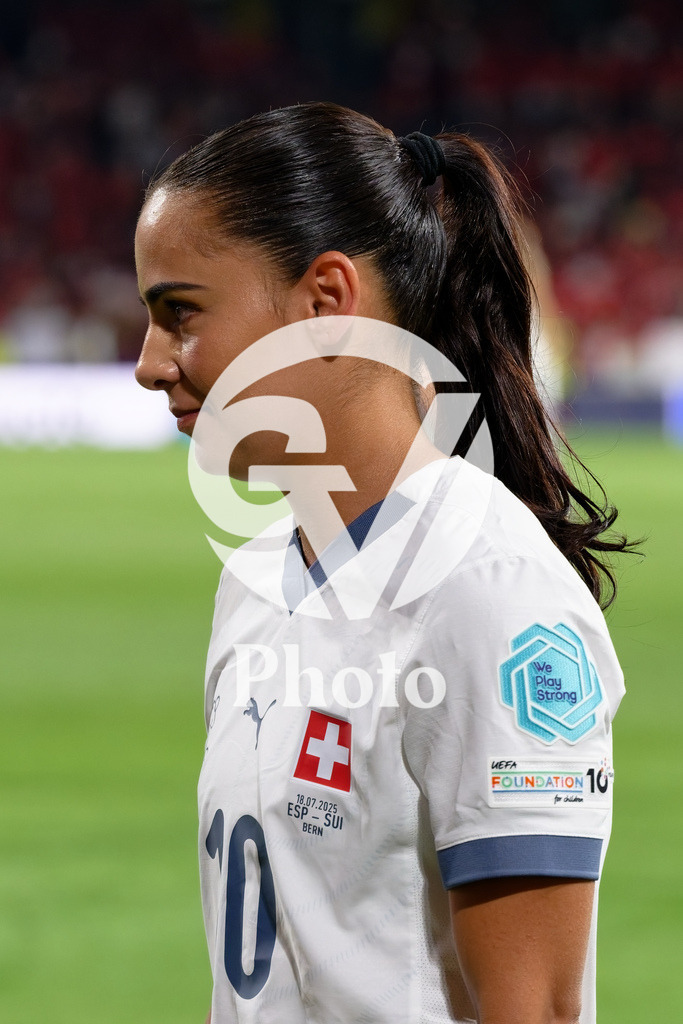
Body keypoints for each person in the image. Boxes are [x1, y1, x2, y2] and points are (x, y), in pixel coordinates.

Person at [134, 101, 629, 1024]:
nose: (149, 363)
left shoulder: (488, 592)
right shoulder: (255, 577)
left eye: (180, 313)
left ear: (325, 300)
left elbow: (537, 1010)